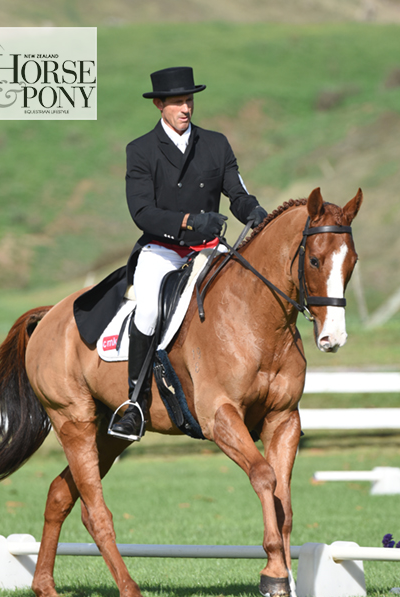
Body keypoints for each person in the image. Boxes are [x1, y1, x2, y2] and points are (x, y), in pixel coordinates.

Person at [109, 66, 267, 441]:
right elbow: (142, 212)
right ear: (159, 104)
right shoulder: (141, 150)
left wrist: (257, 213)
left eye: (190, 100)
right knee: (147, 309)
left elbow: (238, 194)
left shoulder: (216, 144)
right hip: (162, 249)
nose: (186, 108)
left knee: (248, 295)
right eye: (178, 101)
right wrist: (190, 222)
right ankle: (134, 403)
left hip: (209, 251)